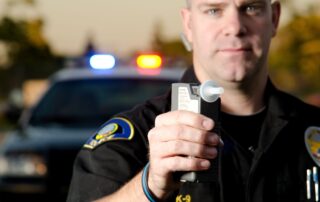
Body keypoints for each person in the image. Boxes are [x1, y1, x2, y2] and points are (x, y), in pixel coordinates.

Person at [67, 0, 320, 201]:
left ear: (274, 18)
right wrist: (150, 185)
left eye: (251, 7)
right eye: (213, 10)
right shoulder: (135, 137)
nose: (234, 26)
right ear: (188, 25)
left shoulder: (313, 129)